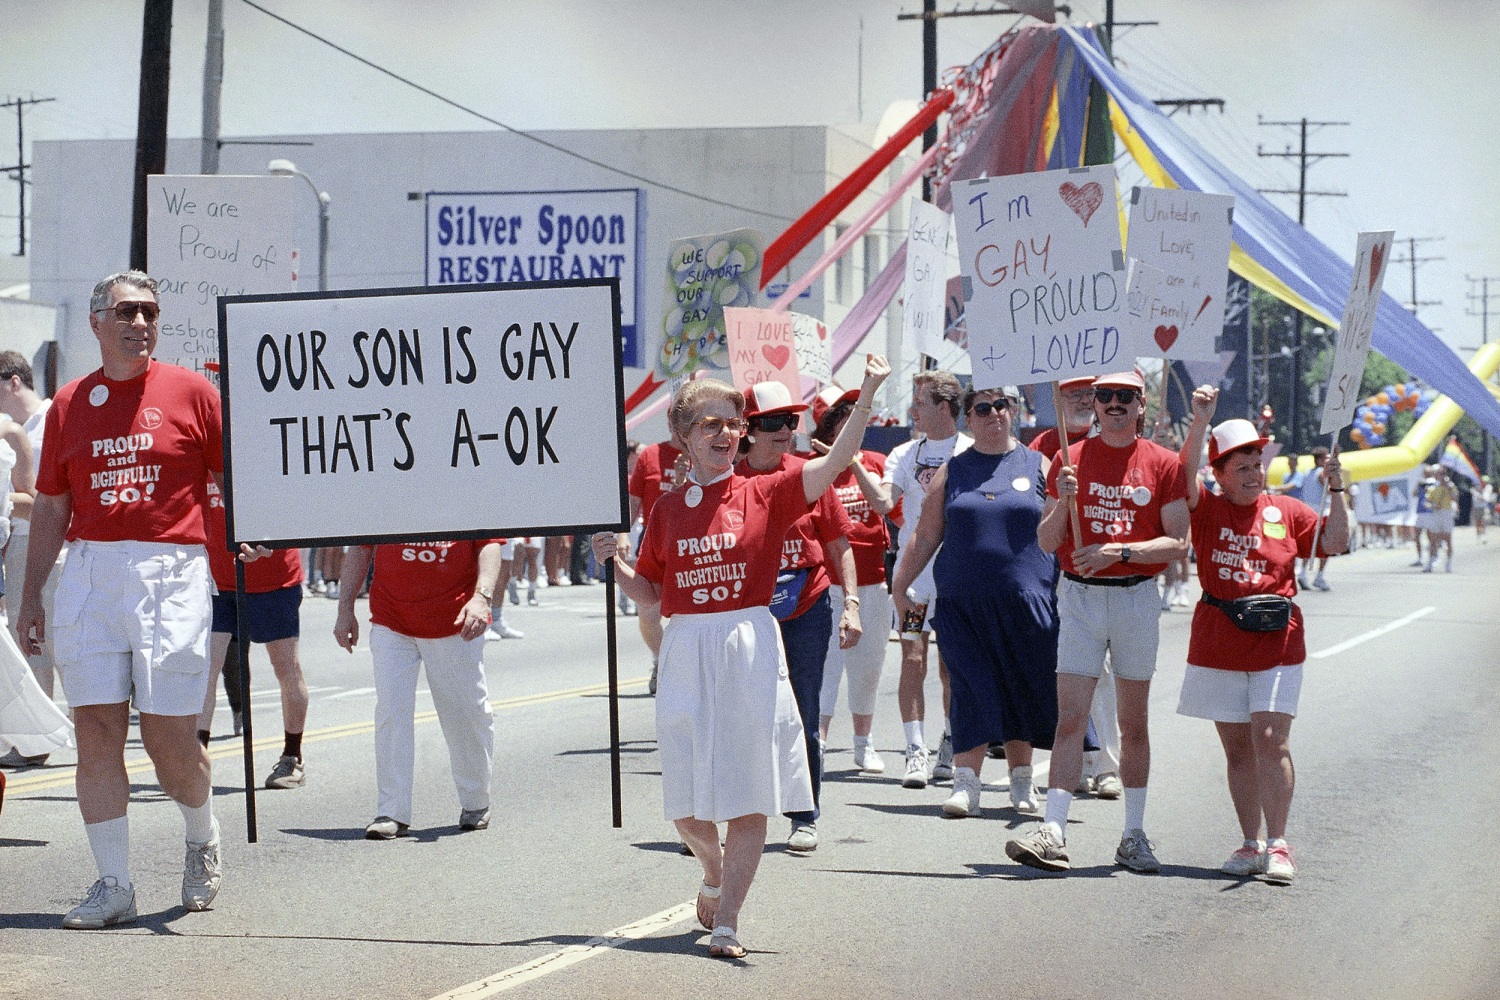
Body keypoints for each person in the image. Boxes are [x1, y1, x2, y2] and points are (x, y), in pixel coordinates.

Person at [592, 354, 890, 959]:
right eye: (711, 425)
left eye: (733, 423)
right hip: (686, 646)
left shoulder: (771, 490)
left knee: (750, 793)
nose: (726, 433)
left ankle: (727, 920)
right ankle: (713, 869)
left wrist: (872, 392)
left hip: (749, 643)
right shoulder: (669, 510)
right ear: (682, 438)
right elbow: (651, 591)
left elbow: (833, 463)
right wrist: (613, 563)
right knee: (686, 807)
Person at [14, 271, 244, 927]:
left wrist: (255, 531)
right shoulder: (68, 404)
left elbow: (237, 473)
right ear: (97, 322)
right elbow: (54, 502)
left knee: (169, 740)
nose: (140, 323)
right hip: (91, 570)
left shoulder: (193, 392)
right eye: (126, 311)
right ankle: (114, 884)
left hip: (171, 570)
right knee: (96, 729)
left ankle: (201, 836)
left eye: (149, 312)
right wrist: (31, 594)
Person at [1006, 369, 1190, 874]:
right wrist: (1064, 502)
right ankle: (1054, 831)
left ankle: (1133, 834)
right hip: (1081, 598)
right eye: (1104, 396)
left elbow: (1178, 543)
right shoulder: (1069, 458)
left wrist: (1120, 552)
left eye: (1123, 397)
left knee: (1134, 723)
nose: (1112, 404)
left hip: (1135, 598)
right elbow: (1046, 543)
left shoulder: (1164, 463)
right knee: (1071, 718)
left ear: (1140, 405)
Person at [1177, 388, 1347, 883]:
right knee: (1237, 750)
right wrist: (1198, 423)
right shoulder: (1205, 508)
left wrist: (1336, 490)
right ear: (1220, 474)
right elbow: (1183, 478)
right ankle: (1250, 842)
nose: (1254, 474)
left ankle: (1279, 844)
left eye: (1257, 464)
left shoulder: (1287, 511)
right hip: (1218, 638)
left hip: (1277, 640)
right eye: (1242, 467)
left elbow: (1335, 541)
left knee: (1270, 739)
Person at [892, 384, 1059, 817]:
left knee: (1019, 687)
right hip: (962, 602)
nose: (994, 414)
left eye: (1002, 405)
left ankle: (1022, 782)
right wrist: (901, 584)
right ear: (968, 418)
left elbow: (1060, 528)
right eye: (983, 407)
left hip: (1029, 600)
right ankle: (966, 783)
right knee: (968, 686)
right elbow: (926, 534)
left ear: (1015, 411)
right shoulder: (953, 470)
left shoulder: (1039, 464)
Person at [736, 380, 859, 853]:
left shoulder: (810, 474)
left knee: (803, 714)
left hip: (807, 604)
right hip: (747, 612)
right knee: (744, 715)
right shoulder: (730, 479)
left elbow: (837, 543)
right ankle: (739, 813)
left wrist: (851, 604)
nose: (786, 431)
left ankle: (804, 814)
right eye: (773, 423)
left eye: (791, 421)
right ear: (748, 431)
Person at [333, 537, 502, 839]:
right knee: (391, 712)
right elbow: (360, 548)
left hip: (454, 621)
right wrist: (345, 608)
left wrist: (482, 596)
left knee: (465, 714)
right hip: (391, 619)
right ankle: (391, 810)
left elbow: (489, 544)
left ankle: (476, 801)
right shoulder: (382, 495)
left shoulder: (467, 491)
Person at [1030, 374, 1121, 799]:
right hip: (1052, 573)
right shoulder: (1042, 447)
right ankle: (1077, 760)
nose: (1085, 400)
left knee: (1103, 676)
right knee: (1068, 675)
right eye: (1075, 393)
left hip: (1104, 576)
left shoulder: (1117, 442)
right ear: (1057, 398)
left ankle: (1105, 763)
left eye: (1092, 393)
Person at [876, 369, 968, 788]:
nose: (912, 409)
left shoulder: (971, 450)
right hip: (914, 579)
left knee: (952, 667)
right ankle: (916, 751)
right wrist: (856, 466)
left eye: (920, 402)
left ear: (945, 407)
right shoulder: (903, 454)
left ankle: (951, 742)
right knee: (913, 660)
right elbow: (884, 502)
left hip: (957, 579)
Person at [196, 480, 310, 789]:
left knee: (286, 667)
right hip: (217, 578)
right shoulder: (204, 445)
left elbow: (298, 507)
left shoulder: (266, 447)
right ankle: (197, 754)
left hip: (274, 579)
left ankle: (292, 756)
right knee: (204, 668)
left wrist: (273, 537)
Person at [811, 384, 895, 776]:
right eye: (844, 416)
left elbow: (885, 504)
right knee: (826, 665)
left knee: (868, 666)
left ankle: (864, 743)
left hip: (873, 581)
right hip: (826, 584)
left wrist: (853, 461)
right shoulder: (812, 466)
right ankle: (820, 741)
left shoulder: (876, 461)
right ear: (827, 424)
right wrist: (830, 463)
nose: (853, 423)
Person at [626, 432, 689, 694]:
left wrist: (683, 479)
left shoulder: (702, 451)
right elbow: (633, 502)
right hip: (654, 545)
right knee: (648, 614)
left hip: (690, 545)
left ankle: (686, 672)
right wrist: (621, 534)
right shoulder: (649, 455)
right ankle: (660, 660)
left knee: (687, 617)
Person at [1295, 447, 1332, 591]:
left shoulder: (1307, 473)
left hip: (1308, 511)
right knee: (1325, 545)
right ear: (1320, 460)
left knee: (1308, 544)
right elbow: (1330, 489)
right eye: (1326, 458)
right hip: (1321, 512)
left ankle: (1303, 573)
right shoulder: (1321, 473)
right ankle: (1319, 576)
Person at [1416, 465, 1455, 572]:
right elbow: (1426, 502)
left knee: (1447, 539)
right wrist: (1433, 506)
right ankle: (1430, 562)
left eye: (1443, 473)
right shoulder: (1432, 488)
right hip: (1436, 514)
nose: (1441, 476)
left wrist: (1447, 487)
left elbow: (1454, 498)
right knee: (1433, 539)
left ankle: (1448, 562)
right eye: (1439, 473)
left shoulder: (1450, 486)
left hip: (1446, 513)